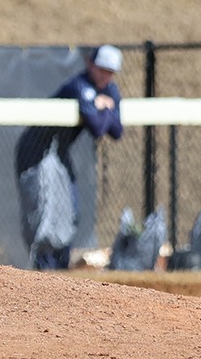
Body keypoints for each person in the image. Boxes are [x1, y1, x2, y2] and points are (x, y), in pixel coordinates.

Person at [15, 44, 125, 270]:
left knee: (69, 210)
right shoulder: (79, 85)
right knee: (44, 213)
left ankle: (61, 269)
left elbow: (116, 131)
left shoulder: (110, 90)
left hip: (58, 153)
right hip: (36, 152)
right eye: (102, 69)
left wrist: (100, 108)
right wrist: (106, 110)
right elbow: (97, 127)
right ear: (91, 65)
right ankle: (44, 269)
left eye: (110, 71)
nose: (106, 76)